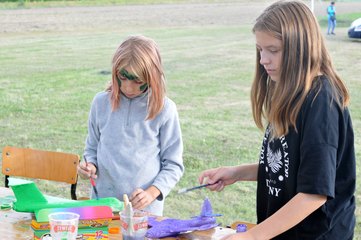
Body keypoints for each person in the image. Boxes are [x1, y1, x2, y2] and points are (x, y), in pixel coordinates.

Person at [198, 1, 356, 239]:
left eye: (273, 50)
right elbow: (288, 168)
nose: (263, 59)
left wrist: (251, 237)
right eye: (260, 49)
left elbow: (314, 192)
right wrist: (238, 173)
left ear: (300, 48)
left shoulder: (320, 100)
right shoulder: (290, 91)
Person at [78, 35, 184, 216]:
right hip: (102, 206)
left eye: (138, 81)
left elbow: (174, 165)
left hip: (143, 212)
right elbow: (92, 149)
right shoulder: (100, 103)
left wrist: (152, 193)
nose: (128, 87)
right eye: (123, 77)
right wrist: (88, 165)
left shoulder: (164, 110)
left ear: (152, 78)